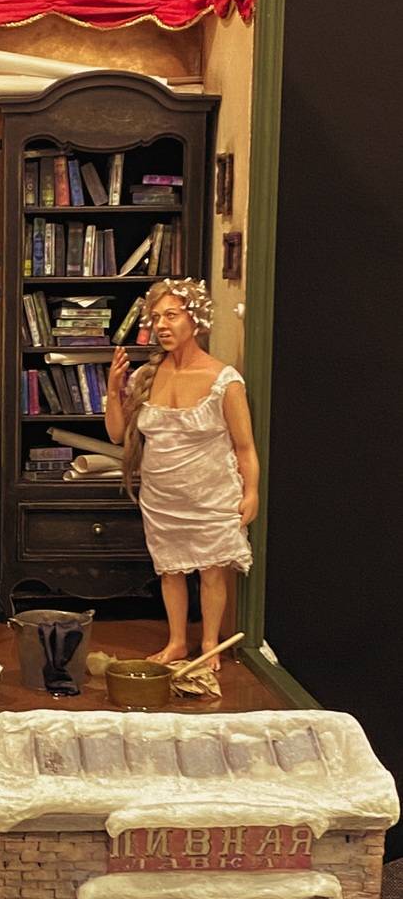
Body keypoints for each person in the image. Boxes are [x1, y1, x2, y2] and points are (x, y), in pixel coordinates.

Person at [105, 278, 260, 668]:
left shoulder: (224, 380)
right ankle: (176, 642)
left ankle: (208, 644)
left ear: (195, 319)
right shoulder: (147, 376)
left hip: (211, 494)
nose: (162, 325)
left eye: (171, 315)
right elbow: (116, 433)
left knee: (212, 572)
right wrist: (113, 387)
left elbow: (244, 446)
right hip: (162, 496)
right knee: (170, 570)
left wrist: (251, 491)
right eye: (156, 317)